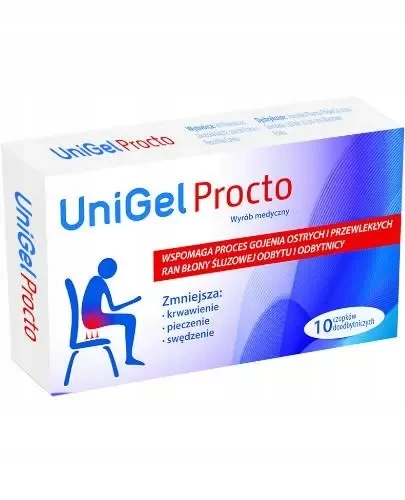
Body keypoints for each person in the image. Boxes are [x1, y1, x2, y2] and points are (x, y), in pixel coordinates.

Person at [81, 258, 144, 365]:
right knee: (130, 319)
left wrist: (132, 302)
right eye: (112, 270)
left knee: (129, 319)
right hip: (93, 319)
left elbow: (112, 308)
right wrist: (133, 301)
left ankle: (129, 357)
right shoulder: (99, 282)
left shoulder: (95, 280)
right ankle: (129, 357)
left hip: (92, 318)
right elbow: (113, 308)